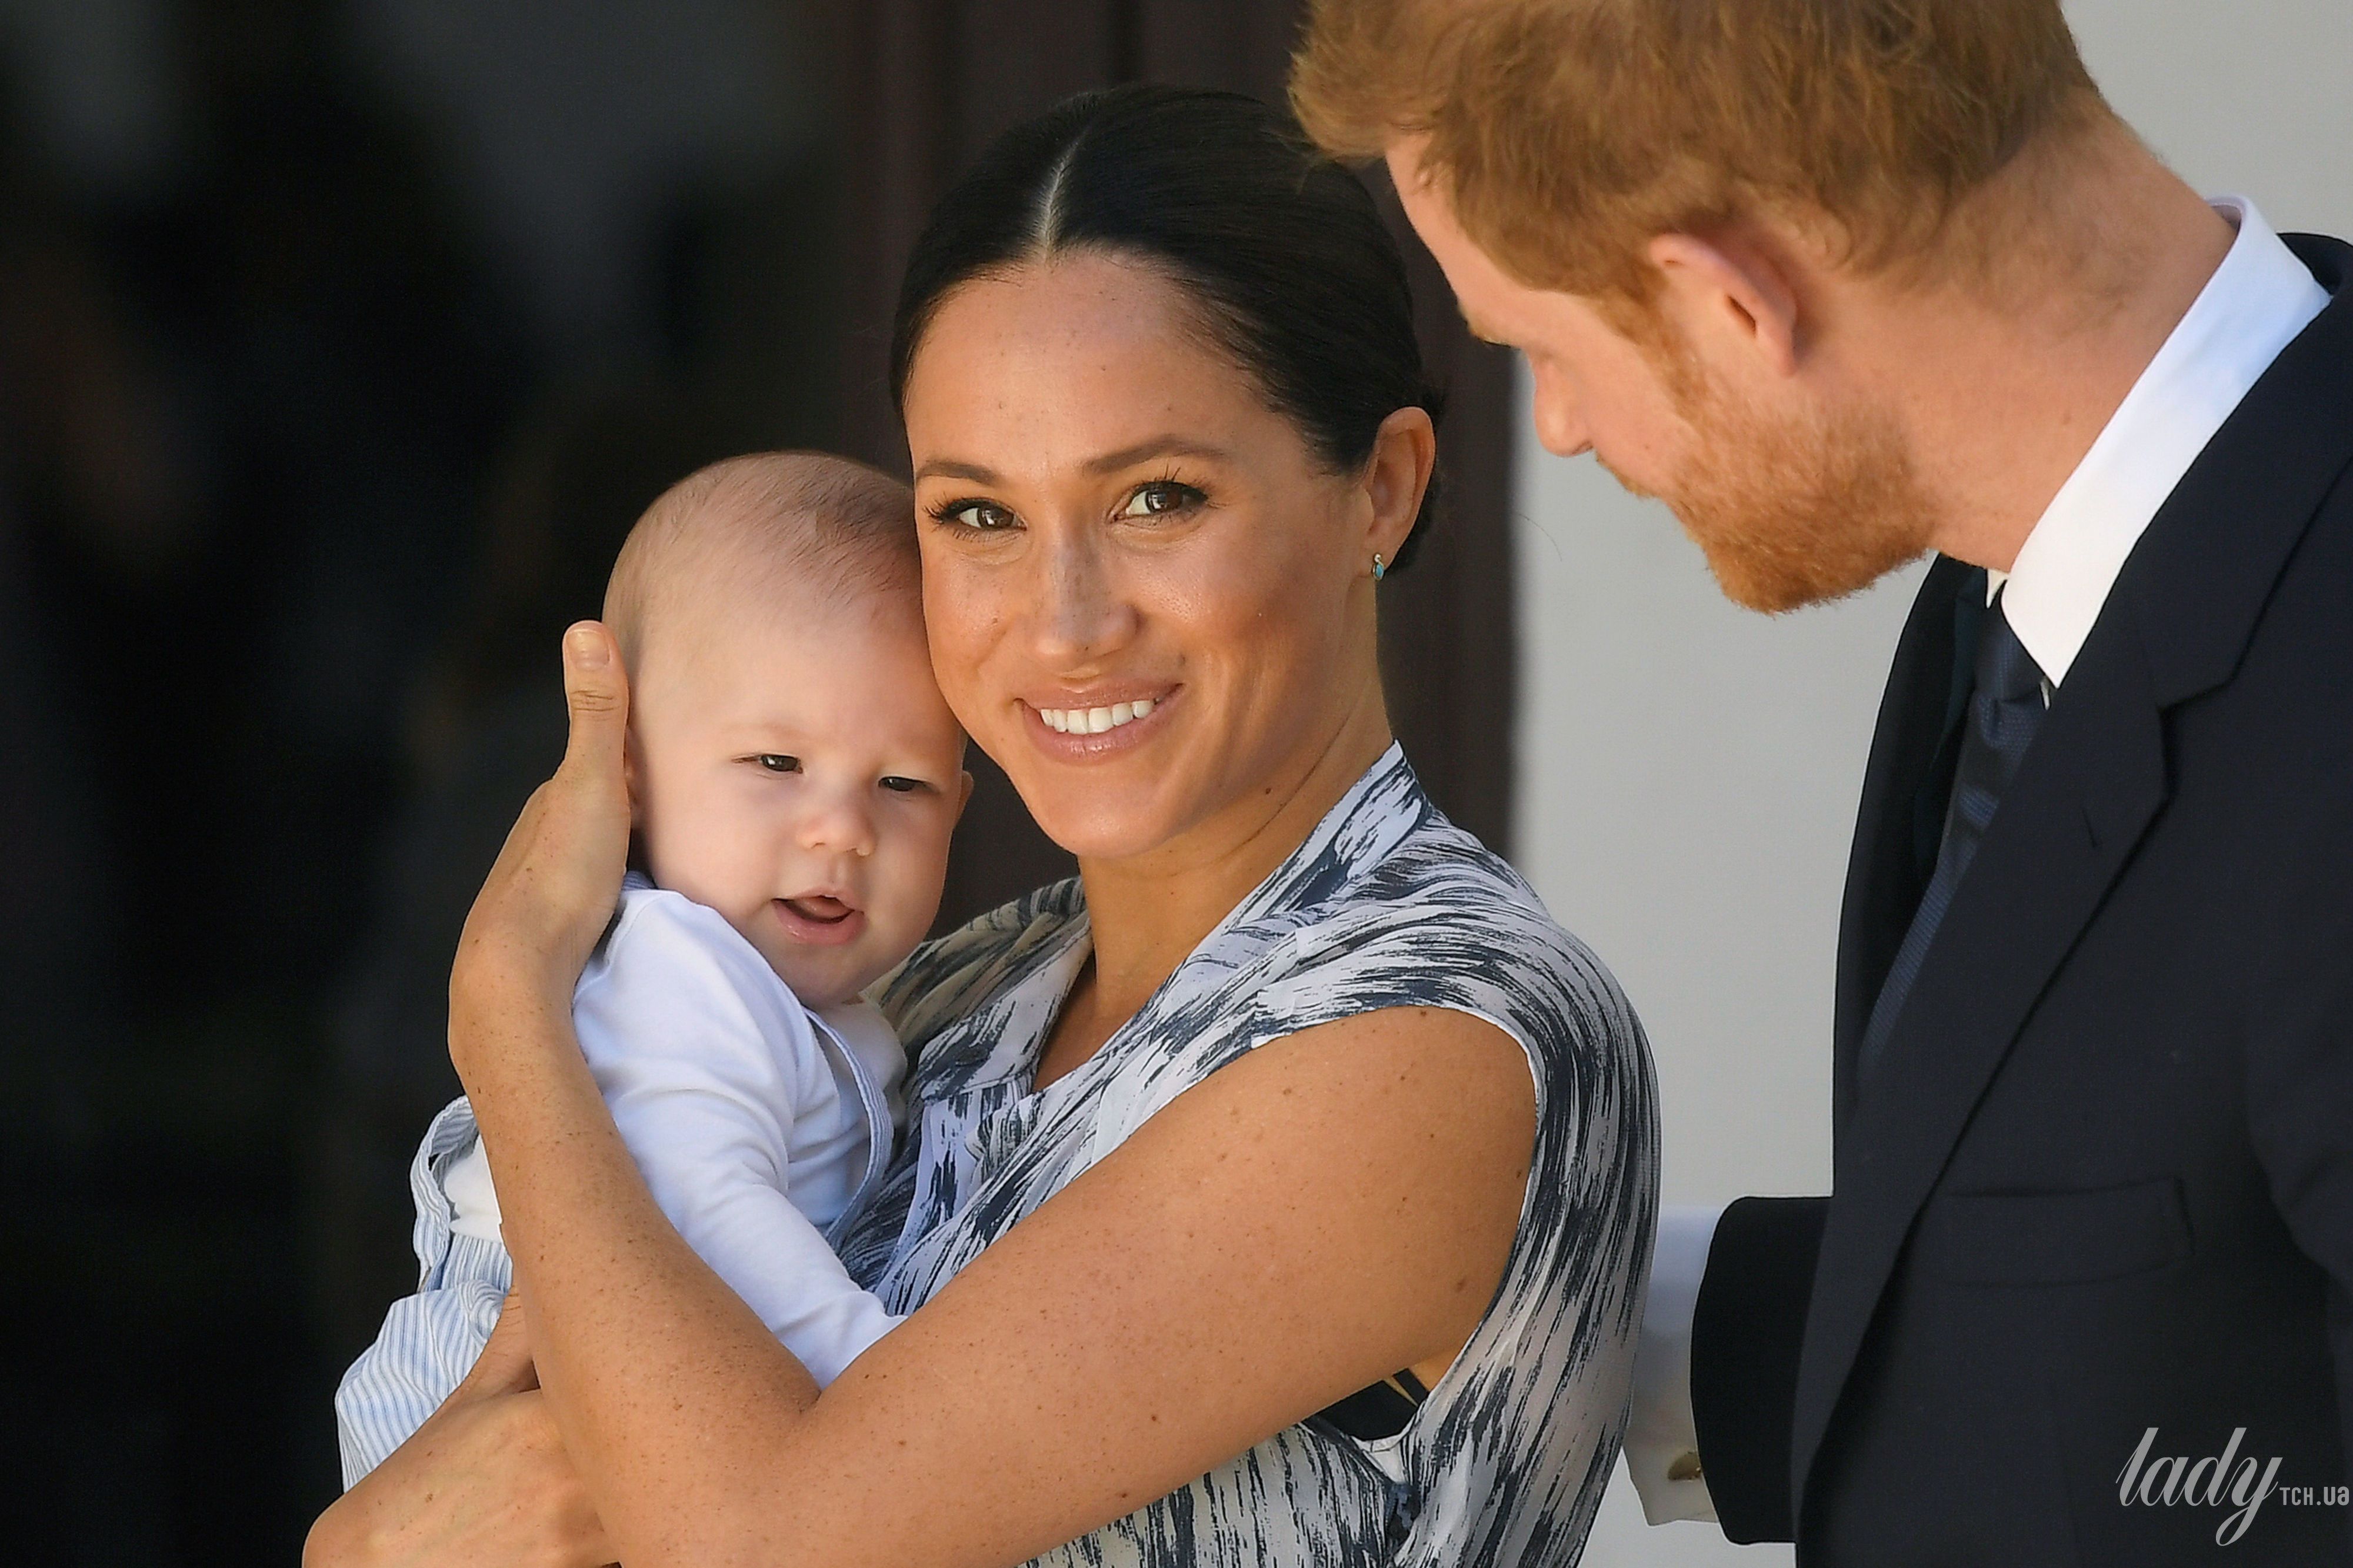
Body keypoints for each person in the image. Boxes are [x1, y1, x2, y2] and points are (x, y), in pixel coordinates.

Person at [304, 85, 1658, 1568]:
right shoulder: (952, 998)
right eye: (977, 516)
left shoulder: (1437, 1032)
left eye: (1155, 497)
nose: (1063, 625)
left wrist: (507, 1006)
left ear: (1379, 490)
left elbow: (765, 1539)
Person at [1292, 0, 2353, 1562]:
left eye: (1537, 350)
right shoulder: (2048, 569)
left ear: (1730, 301)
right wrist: (1497, 1289)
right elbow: (2159, 1317)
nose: (1567, 431)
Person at [332, 451, 965, 1482]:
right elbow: (709, 1211)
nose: (843, 829)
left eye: (903, 784)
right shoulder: (681, 972)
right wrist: (877, 1382)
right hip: (503, 1404)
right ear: (627, 772)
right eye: (777, 763)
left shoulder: (827, 1001)